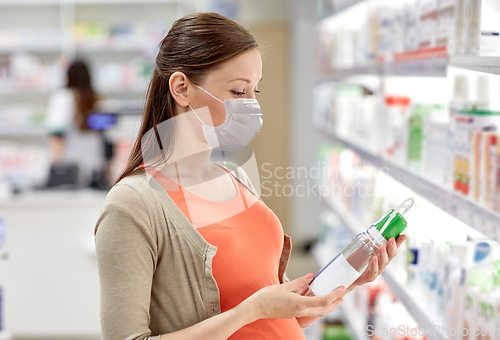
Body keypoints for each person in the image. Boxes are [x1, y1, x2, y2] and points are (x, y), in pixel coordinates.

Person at [94, 13, 406, 340]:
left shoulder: (235, 176)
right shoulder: (132, 205)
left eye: (255, 91)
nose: (252, 106)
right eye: (238, 91)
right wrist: (251, 310)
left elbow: (279, 314)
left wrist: (348, 276)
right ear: (182, 88)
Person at [45, 60, 105, 187]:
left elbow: (57, 135)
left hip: (69, 170)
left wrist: (55, 168)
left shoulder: (63, 98)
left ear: (67, 76)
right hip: (94, 169)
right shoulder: (95, 99)